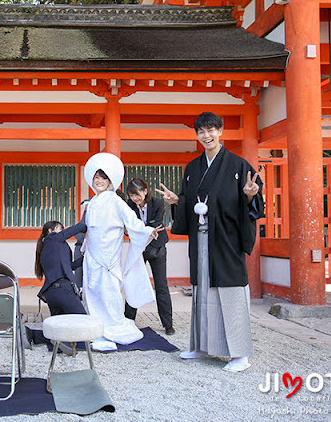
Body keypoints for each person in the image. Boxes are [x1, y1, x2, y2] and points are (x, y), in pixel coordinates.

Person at [155, 112, 263, 372]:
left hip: (226, 240)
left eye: (211, 130)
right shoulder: (193, 168)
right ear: (197, 135)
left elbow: (251, 204)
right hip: (201, 240)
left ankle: (239, 354)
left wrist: (250, 197)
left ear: (221, 131)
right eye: (201, 131)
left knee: (231, 292)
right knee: (202, 292)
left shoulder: (239, 166)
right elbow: (193, 201)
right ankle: (202, 346)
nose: (207, 135)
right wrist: (178, 201)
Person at [82, 152, 162, 351]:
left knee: (108, 292)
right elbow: (88, 231)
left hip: (109, 256)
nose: (99, 181)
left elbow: (132, 221)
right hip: (92, 255)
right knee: (91, 291)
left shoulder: (116, 201)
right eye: (96, 178)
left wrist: (147, 230)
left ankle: (111, 327)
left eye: (103, 178)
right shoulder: (91, 203)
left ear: (110, 181)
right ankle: (96, 327)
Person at [125, 178, 175, 336]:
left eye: (137, 194)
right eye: (132, 195)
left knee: (161, 286)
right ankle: (128, 320)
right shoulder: (129, 206)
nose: (135, 198)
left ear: (145, 191)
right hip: (138, 248)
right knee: (134, 281)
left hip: (157, 247)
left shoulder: (158, 204)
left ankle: (168, 324)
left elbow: (157, 225)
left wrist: (142, 231)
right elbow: (130, 227)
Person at [35, 220, 87, 316]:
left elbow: (70, 266)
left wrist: (87, 257)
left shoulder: (46, 247)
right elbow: (79, 227)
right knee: (83, 322)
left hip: (51, 294)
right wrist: (89, 225)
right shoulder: (53, 238)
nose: (63, 231)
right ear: (50, 231)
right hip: (63, 290)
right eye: (60, 228)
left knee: (60, 329)